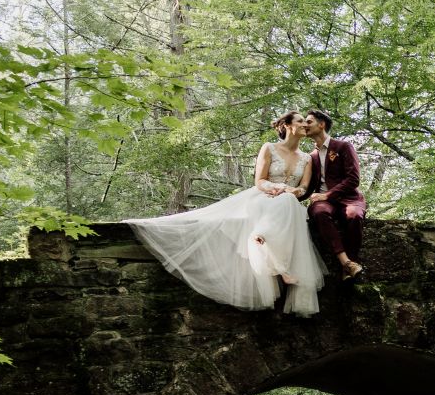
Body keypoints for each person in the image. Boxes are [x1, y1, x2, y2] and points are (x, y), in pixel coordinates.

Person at [125, 112, 327, 315]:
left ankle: (263, 238)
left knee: (288, 200)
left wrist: (293, 191)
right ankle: (277, 261)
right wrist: (278, 187)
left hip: (287, 202)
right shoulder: (269, 148)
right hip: (264, 198)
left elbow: (303, 188)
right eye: (300, 121)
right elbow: (259, 181)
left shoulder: (306, 158)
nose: (305, 125)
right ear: (287, 126)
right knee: (285, 200)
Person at [302, 108, 367, 281]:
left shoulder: (343, 147)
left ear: (321, 124)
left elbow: (353, 179)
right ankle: (347, 263)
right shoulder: (310, 157)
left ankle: (350, 265)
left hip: (349, 198)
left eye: (309, 122)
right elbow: (307, 188)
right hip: (324, 203)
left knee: (354, 215)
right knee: (319, 213)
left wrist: (328, 194)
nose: (304, 125)